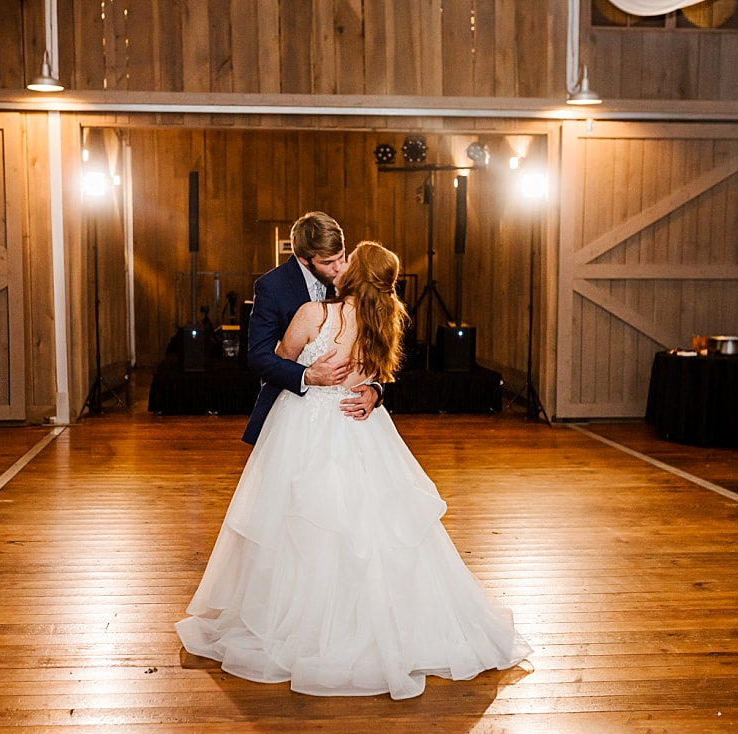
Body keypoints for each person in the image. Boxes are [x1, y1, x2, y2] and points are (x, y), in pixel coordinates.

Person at [176, 242, 532, 700]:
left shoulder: (314, 314)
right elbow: (377, 374)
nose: (339, 266)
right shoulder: (382, 320)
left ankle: (302, 628)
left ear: (353, 272)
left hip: (307, 425)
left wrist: (318, 376)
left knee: (300, 523)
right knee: (374, 526)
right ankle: (385, 624)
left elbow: (281, 357)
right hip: (362, 429)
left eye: (347, 261)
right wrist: (372, 391)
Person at [242, 211, 380, 445]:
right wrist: (307, 375)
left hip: (349, 419)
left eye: (342, 256)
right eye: (327, 262)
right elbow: (258, 357)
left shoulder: (354, 280)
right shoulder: (272, 286)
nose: (338, 268)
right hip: (292, 413)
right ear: (304, 259)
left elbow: (377, 344)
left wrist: (376, 390)